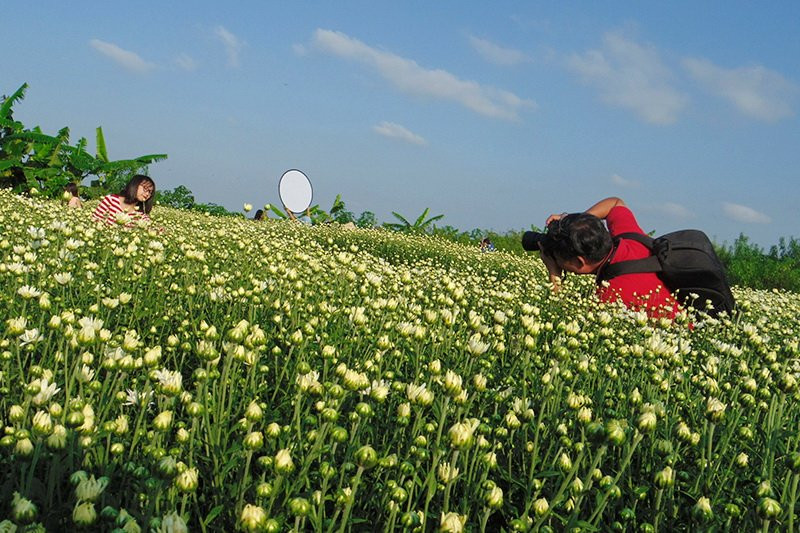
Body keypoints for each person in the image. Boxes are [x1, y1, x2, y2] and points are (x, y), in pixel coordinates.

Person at [537, 197, 680, 319]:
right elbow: (615, 203)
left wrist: (554, 275)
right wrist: (577, 224)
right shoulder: (630, 237)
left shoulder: (611, 296)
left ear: (580, 261)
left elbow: (567, 325)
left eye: (559, 259)